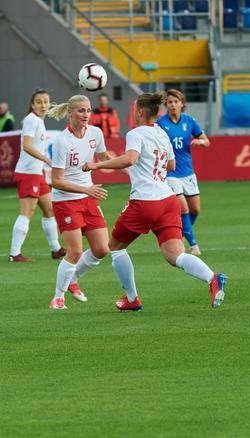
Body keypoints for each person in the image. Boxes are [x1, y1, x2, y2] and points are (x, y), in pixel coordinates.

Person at [84, 92, 227, 311]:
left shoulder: (135, 133)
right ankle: (212, 278)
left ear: (140, 111)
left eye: (134, 110)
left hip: (145, 201)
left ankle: (132, 299)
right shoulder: (161, 133)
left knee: (115, 247)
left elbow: (130, 159)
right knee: (175, 255)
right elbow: (170, 166)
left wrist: (98, 165)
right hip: (168, 200)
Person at [46, 95, 111, 309]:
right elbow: (56, 181)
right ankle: (58, 297)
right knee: (74, 251)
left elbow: (103, 159)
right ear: (71, 112)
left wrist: (128, 163)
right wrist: (86, 188)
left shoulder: (95, 133)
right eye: (81, 111)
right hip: (66, 201)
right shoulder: (62, 142)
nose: (86, 115)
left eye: (88, 110)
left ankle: (73, 279)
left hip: (88, 198)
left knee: (102, 249)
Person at [9, 89, 65, 262]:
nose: (43, 105)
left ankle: (55, 249)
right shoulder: (31, 120)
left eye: (46, 101)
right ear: (33, 105)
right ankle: (14, 253)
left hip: (36, 173)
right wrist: (46, 159)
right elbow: (26, 146)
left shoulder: (38, 121)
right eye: (39, 102)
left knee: (49, 209)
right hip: (28, 173)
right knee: (28, 211)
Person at [157, 89, 211, 256]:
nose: (173, 105)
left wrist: (200, 142)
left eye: (176, 101)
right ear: (166, 104)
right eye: (170, 102)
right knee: (183, 208)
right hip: (170, 172)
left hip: (187, 172)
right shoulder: (160, 124)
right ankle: (194, 245)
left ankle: (178, 234)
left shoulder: (190, 121)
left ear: (182, 104)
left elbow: (207, 141)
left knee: (195, 209)